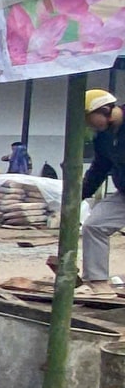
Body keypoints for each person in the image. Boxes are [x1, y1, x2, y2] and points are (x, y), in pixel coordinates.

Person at [82, 88, 125, 293]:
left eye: (90, 119)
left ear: (105, 110)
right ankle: (98, 282)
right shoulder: (103, 138)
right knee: (94, 225)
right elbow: (99, 168)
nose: (89, 125)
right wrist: (77, 196)